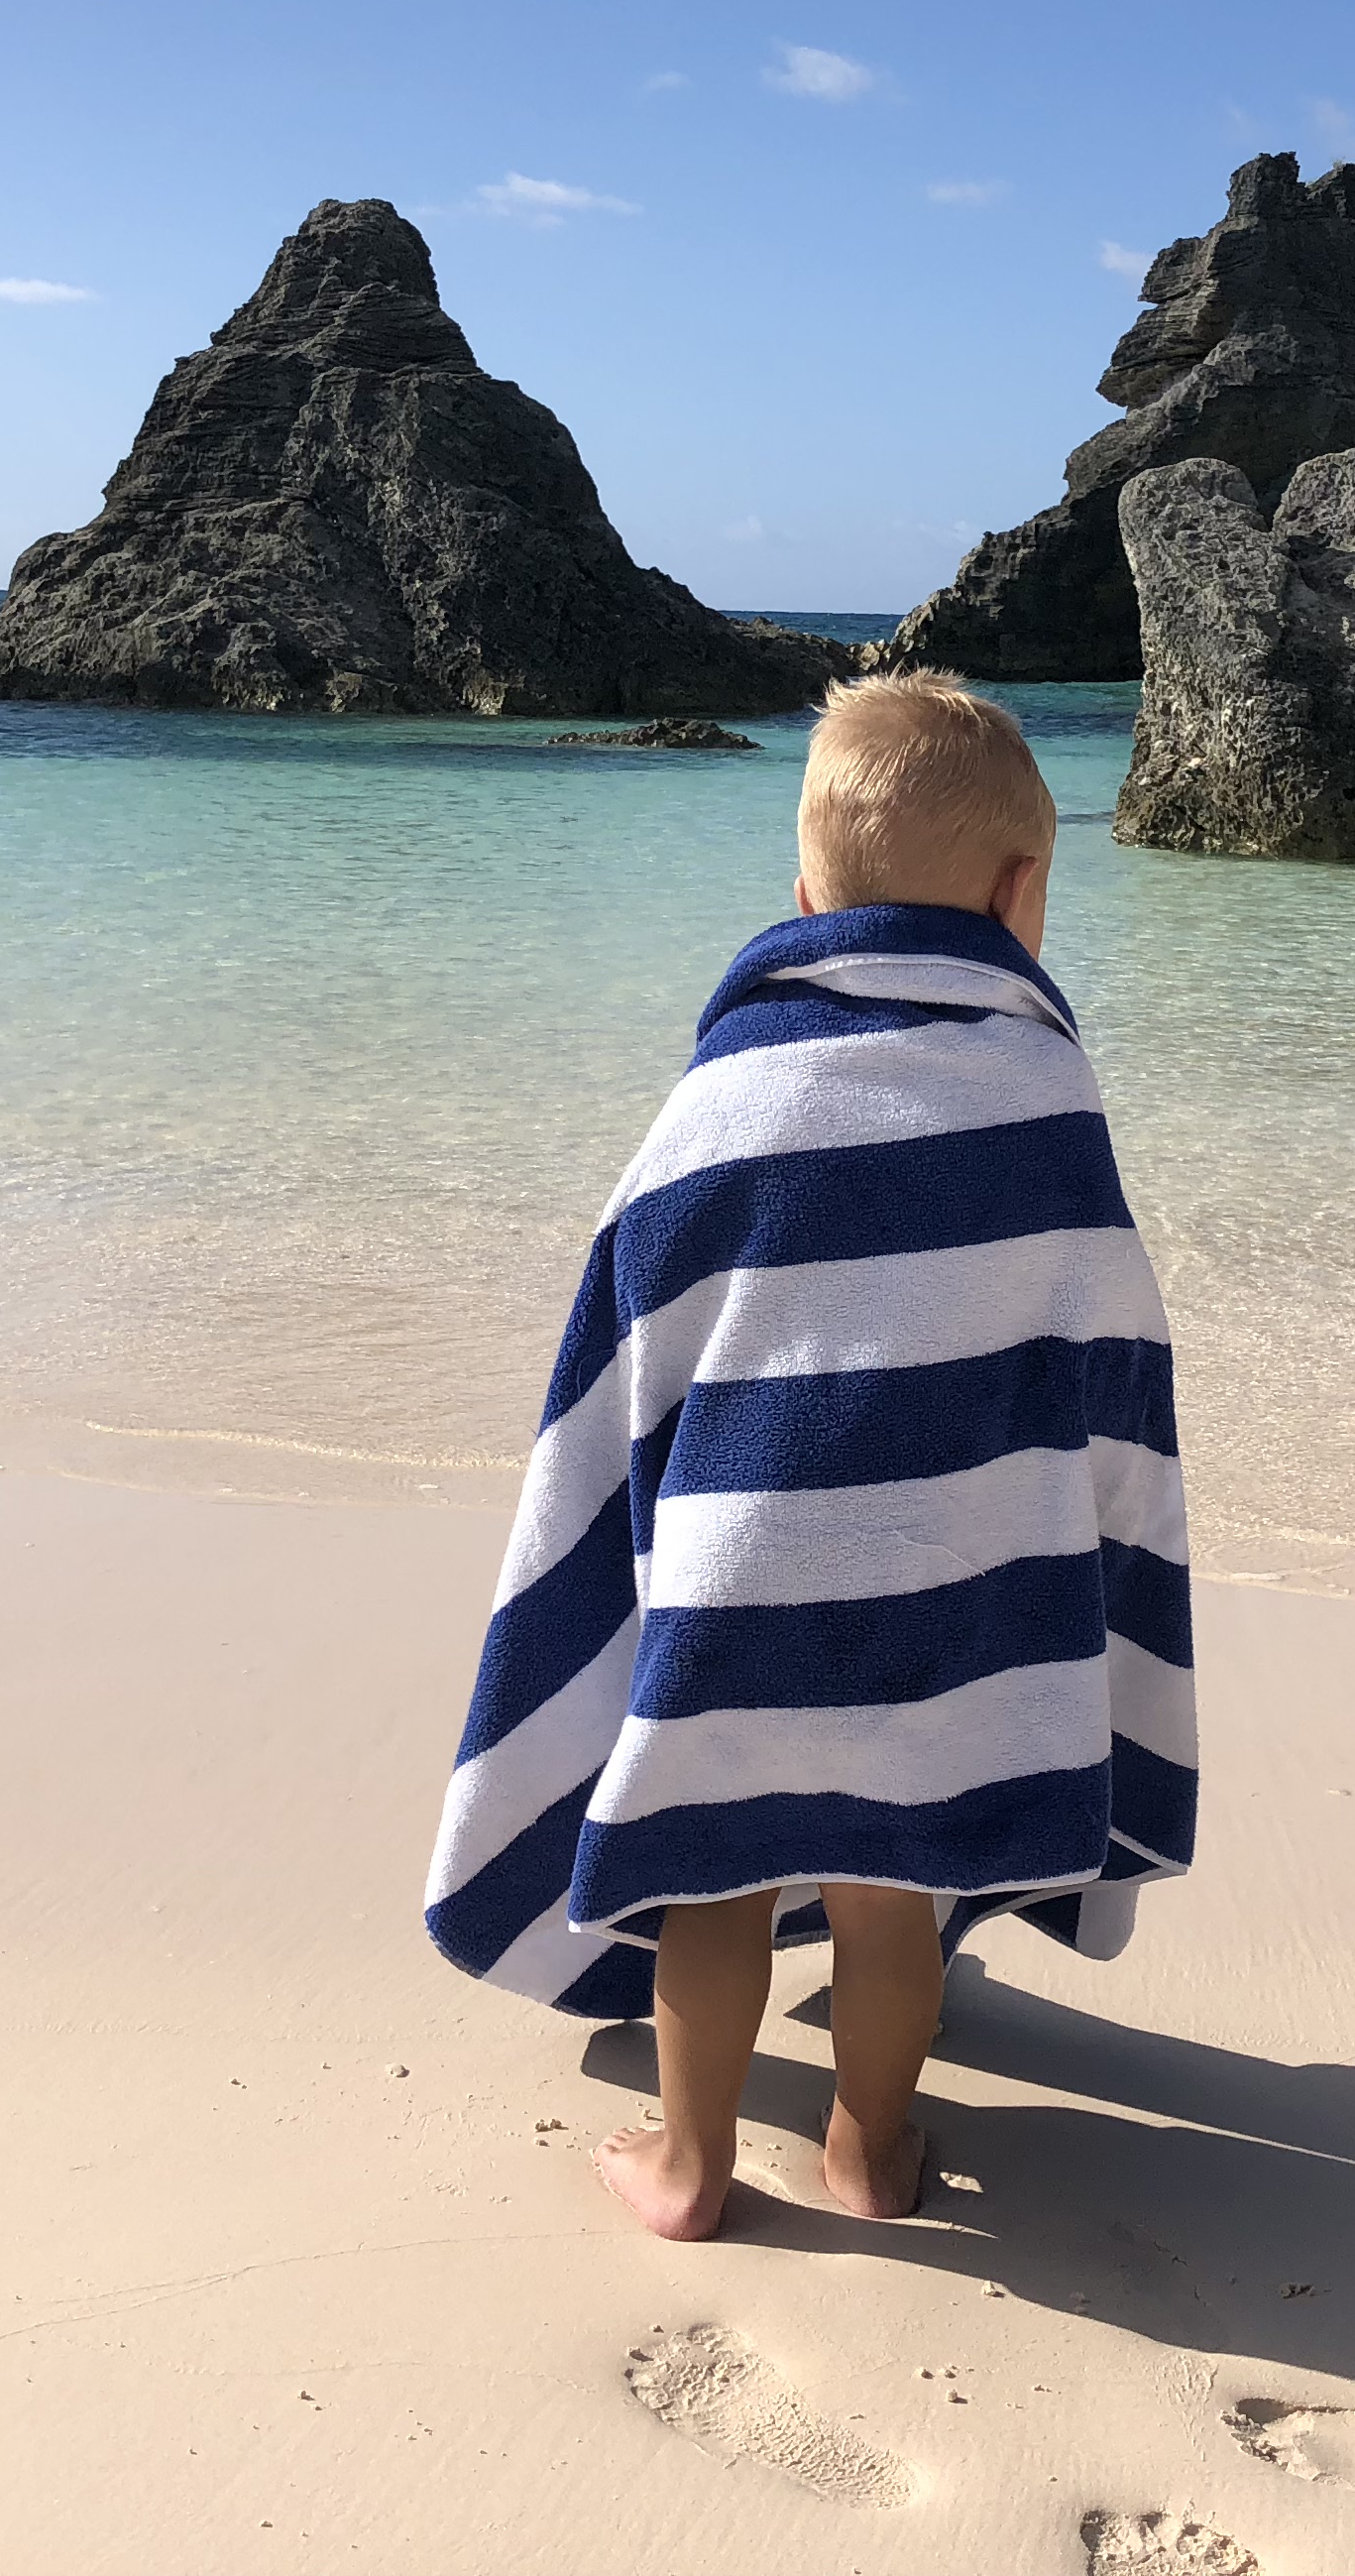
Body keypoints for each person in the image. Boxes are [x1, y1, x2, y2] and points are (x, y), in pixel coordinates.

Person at [420, 669, 1196, 2240]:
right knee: (888, 1890)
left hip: (739, 1574)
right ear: (1019, 892)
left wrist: (625, 1526)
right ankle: (865, 2146)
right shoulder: (1045, 1087)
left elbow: (628, 1334)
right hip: (949, 1581)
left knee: (708, 1873)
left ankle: (690, 2166)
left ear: (806, 896)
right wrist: (1093, 1534)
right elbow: (1105, 1340)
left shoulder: (727, 1089)